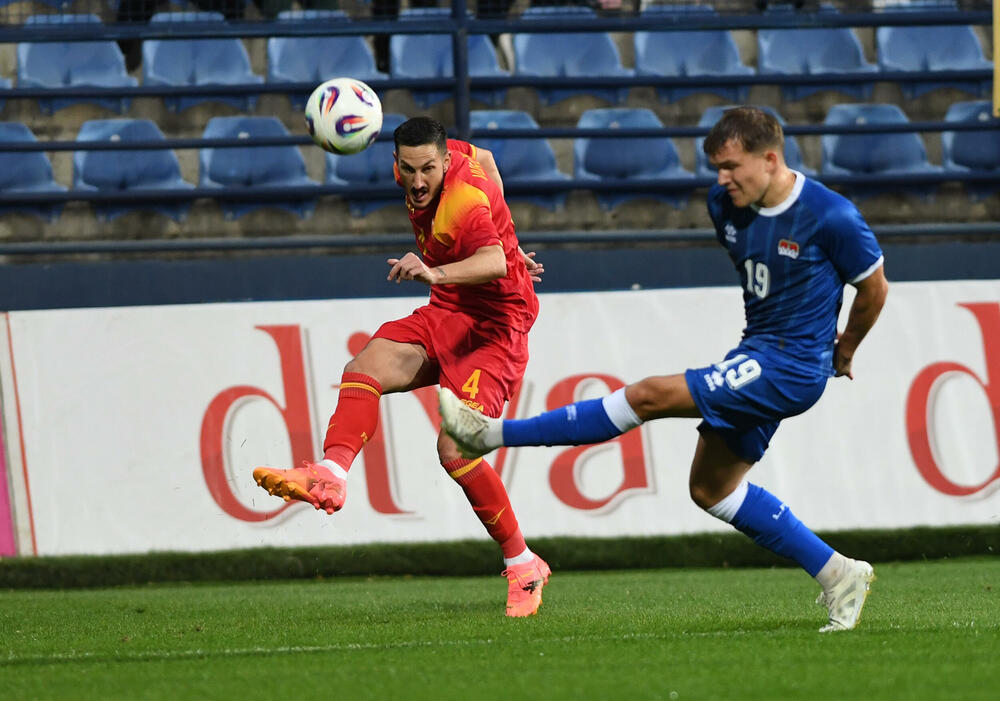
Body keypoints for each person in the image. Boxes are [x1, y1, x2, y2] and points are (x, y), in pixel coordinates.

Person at [439, 106, 890, 633]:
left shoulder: (830, 215)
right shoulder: (725, 205)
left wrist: (844, 350)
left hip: (790, 366)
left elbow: (874, 289)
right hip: (756, 354)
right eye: (716, 168)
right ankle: (839, 574)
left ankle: (488, 434)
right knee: (712, 490)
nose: (721, 180)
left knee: (648, 396)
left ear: (770, 160)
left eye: (731, 166)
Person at [254, 116, 551, 617]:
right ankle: (330, 474)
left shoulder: (463, 201)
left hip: (497, 327)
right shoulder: (438, 157)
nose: (418, 181)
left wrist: (455, 262)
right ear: (396, 162)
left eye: (428, 170)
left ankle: (523, 564)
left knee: (454, 449)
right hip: (451, 309)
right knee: (364, 366)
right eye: (409, 169)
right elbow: (490, 160)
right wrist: (509, 234)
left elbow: (494, 263)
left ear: (444, 163)